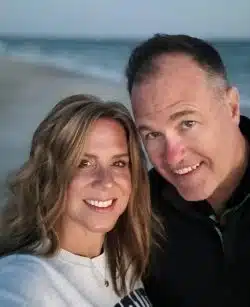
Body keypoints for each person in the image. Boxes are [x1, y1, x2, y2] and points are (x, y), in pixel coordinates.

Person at [0, 94, 161, 307]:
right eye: (84, 163)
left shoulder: (123, 253)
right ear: (50, 174)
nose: (106, 182)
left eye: (119, 163)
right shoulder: (23, 282)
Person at [125, 34, 250, 307]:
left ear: (231, 107)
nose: (172, 156)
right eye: (152, 135)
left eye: (187, 123)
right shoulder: (140, 214)